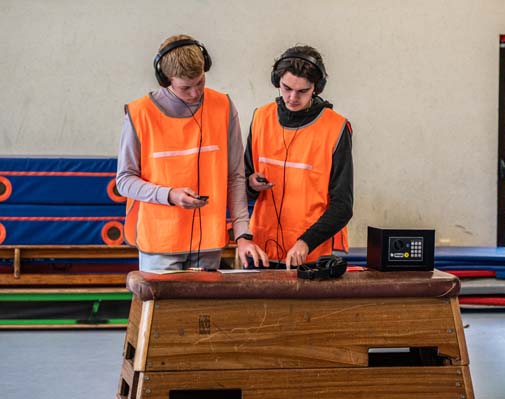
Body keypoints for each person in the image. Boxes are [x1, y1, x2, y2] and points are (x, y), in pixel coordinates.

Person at [117, 34, 268, 271]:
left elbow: (235, 177)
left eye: (200, 83)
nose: (195, 93)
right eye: (185, 88)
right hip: (159, 244)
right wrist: (169, 195)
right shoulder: (140, 114)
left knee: (202, 310)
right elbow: (124, 181)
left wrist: (243, 234)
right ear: (165, 80)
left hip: (208, 244)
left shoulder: (223, 107)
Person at [244, 45, 353, 269]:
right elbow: (241, 183)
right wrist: (251, 184)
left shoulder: (336, 127)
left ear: (317, 88)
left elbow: (343, 206)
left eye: (303, 91)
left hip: (309, 257)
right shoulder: (261, 118)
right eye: (286, 88)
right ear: (277, 81)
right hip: (259, 253)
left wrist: (306, 242)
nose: (292, 98)